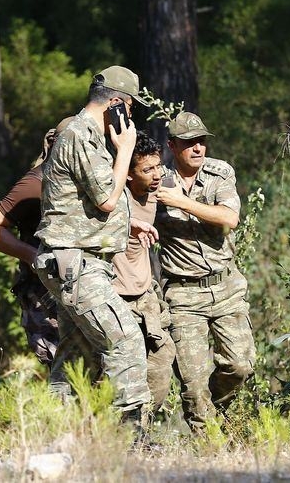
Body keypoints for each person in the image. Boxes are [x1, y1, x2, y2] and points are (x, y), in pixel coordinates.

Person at [34, 65, 156, 422]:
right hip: (76, 264)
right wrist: (126, 149)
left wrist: (125, 226)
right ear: (117, 105)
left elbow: (85, 203)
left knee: (74, 355)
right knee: (124, 339)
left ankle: (56, 431)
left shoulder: (83, 134)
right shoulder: (80, 134)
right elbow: (105, 197)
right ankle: (132, 436)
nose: (129, 120)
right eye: (130, 110)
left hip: (76, 260)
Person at [154, 111, 255, 432]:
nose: (198, 148)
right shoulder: (157, 179)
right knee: (193, 385)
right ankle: (208, 444)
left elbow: (229, 218)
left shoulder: (219, 172)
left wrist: (181, 202)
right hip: (183, 295)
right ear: (172, 146)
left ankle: (218, 411)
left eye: (201, 141)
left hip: (227, 288)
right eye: (189, 143)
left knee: (239, 366)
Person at [0, 124, 68, 366]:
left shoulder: (83, 178)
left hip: (78, 288)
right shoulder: (37, 181)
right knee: (65, 372)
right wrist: (33, 256)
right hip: (44, 293)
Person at [111, 131, 176, 415]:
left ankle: (141, 429)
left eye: (158, 166)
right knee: (125, 364)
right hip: (115, 295)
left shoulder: (157, 189)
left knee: (163, 356)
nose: (156, 174)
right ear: (127, 174)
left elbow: (188, 172)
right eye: (147, 169)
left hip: (145, 293)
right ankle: (119, 434)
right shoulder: (114, 197)